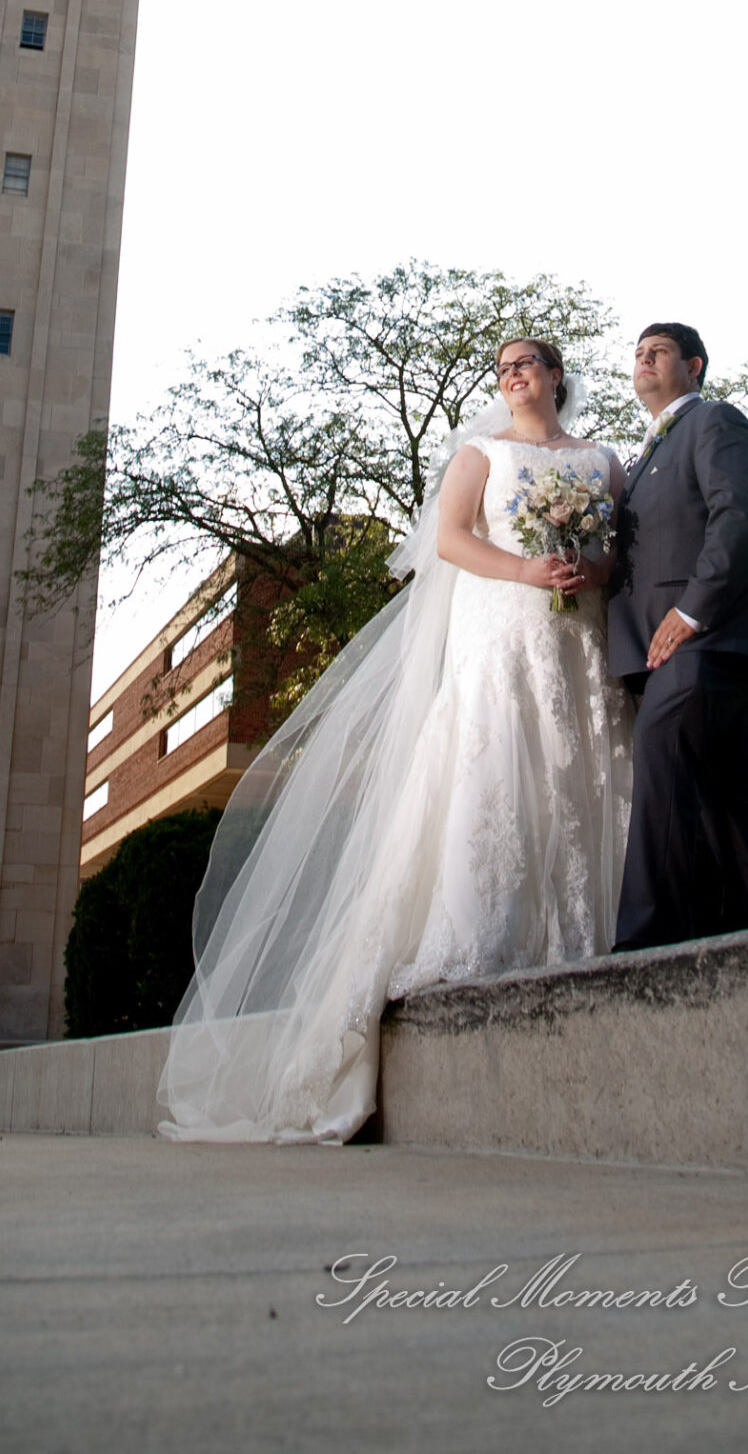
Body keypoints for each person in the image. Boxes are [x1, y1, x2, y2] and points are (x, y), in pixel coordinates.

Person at [157, 338, 633, 1142]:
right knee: (496, 772)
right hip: (505, 631)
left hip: (577, 638)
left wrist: (596, 571)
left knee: (578, 768)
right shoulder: (480, 454)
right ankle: (483, 933)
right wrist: (525, 574)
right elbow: (449, 540)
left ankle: (597, 930)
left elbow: (622, 550)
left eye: (527, 363)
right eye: (503, 368)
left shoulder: (605, 461)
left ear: (556, 376)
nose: (513, 375)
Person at [610, 322, 748, 950]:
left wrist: (690, 612)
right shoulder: (642, 457)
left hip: (706, 636)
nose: (643, 362)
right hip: (665, 648)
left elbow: (737, 517)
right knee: (725, 793)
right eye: (636, 355)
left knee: (661, 761)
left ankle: (644, 943)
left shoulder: (716, 422)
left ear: (695, 365)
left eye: (656, 352)